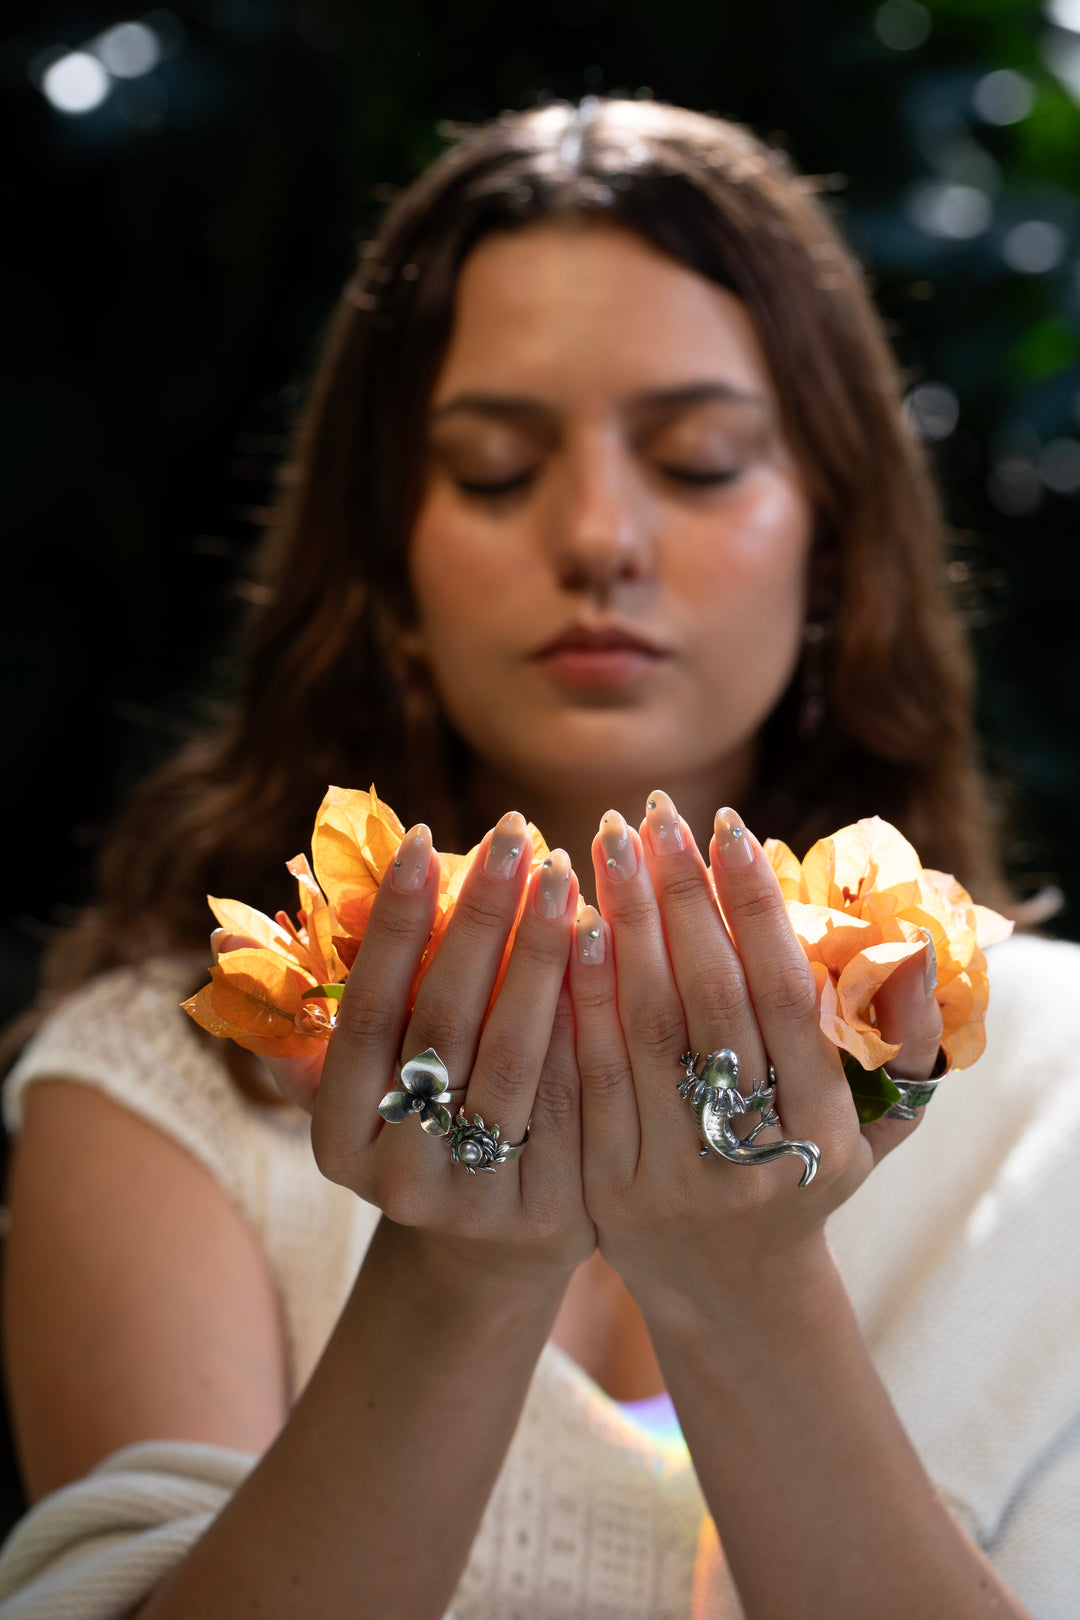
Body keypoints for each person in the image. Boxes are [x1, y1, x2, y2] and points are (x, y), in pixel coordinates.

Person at [0, 97, 1076, 1620]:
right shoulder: (166, 1081)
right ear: (387, 570)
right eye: (497, 471)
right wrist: (455, 1279)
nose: (599, 536)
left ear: (835, 546)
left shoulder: (1057, 1091)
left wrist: (747, 1294)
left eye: (699, 462)